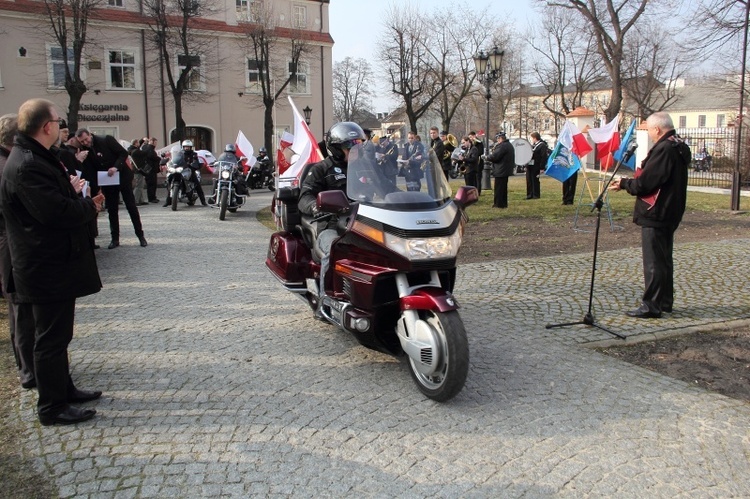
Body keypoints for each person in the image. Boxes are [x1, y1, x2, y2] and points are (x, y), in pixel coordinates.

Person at [0, 98, 105, 425]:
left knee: (59, 336)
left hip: (51, 263)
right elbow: (54, 213)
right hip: (43, 266)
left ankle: (64, 390)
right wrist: (89, 206)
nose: (61, 128)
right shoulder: (28, 163)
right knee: (49, 339)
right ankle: (51, 407)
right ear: (45, 127)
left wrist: (71, 192)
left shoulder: (34, 157)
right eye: (57, 122)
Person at [609, 112, 691, 318]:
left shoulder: (664, 149)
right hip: (670, 210)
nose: (650, 135)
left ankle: (652, 305)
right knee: (664, 258)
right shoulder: (679, 145)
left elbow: (647, 183)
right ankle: (664, 301)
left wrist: (626, 183)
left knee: (654, 260)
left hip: (657, 211)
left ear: (657, 129)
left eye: (650, 130)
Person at [298, 121, 365, 304]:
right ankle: (325, 300)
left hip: (364, 224)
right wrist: (315, 207)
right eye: (350, 145)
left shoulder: (366, 168)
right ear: (335, 148)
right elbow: (304, 197)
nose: (356, 149)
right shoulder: (321, 170)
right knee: (334, 250)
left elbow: (385, 189)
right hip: (333, 225)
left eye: (359, 144)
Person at [0, 113, 36, 390]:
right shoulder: (7, 165)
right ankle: (28, 370)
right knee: (21, 310)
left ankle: (27, 365)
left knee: (20, 309)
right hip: (10, 244)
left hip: (10, 242)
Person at [76, 128, 148, 248]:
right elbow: (91, 169)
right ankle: (115, 239)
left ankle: (140, 236)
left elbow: (123, 153)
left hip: (122, 177)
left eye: (86, 139)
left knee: (131, 207)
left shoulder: (106, 140)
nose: (85, 143)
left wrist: (115, 167)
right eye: (82, 142)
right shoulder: (84, 150)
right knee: (112, 210)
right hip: (107, 181)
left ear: (89, 135)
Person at [163, 139, 207, 207]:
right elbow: (174, 160)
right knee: (169, 181)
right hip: (179, 169)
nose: (186, 148)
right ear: (183, 147)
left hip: (189, 170)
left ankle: (203, 201)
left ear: (190, 147)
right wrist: (169, 162)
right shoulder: (179, 153)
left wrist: (193, 165)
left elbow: (196, 161)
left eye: (188, 147)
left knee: (197, 184)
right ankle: (168, 201)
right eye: (185, 147)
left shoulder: (194, 154)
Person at [485, 132, 515, 208]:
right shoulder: (509, 145)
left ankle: (498, 204)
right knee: (503, 188)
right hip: (505, 169)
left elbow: (495, 157)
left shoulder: (502, 146)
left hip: (501, 170)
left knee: (499, 188)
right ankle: (503, 204)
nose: (497, 141)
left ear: (500, 138)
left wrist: (487, 157)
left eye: (498, 139)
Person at [528, 132, 547, 199]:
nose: (531, 139)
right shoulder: (533, 145)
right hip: (530, 165)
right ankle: (530, 194)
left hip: (536, 165)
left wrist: (542, 167)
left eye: (532, 138)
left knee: (535, 180)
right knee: (529, 180)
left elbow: (543, 156)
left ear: (535, 138)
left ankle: (536, 194)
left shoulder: (542, 145)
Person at [141, 137, 160, 203]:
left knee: (153, 184)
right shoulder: (149, 149)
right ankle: (151, 198)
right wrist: (159, 159)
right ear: (152, 142)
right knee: (151, 184)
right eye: (155, 142)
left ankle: (153, 197)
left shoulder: (147, 148)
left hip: (151, 169)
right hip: (151, 169)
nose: (156, 144)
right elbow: (152, 156)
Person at [130, 138, 148, 205]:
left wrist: (142, 140)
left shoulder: (131, 149)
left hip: (136, 169)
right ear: (135, 143)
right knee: (139, 186)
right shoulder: (136, 151)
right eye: (138, 143)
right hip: (138, 170)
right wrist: (146, 145)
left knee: (140, 185)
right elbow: (145, 152)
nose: (139, 144)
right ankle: (135, 200)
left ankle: (141, 200)